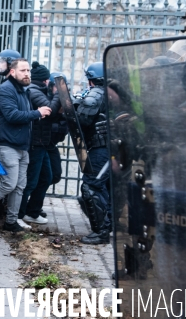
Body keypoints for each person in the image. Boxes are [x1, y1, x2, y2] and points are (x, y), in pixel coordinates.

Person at [0, 57, 51, 233]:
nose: (27, 74)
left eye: (28, 71)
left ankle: (11, 221)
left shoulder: (23, 90)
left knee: (20, 186)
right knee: (9, 184)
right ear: (12, 72)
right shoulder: (6, 89)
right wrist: (37, 113)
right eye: (23, 70)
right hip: (6, 144)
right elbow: (12, 115)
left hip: (21, 145)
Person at [18, 62, 60, 227]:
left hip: (41, 143)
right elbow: (50, 109)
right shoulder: (34, 91)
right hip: (35, 143)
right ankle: (19, 215)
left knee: (46, 178)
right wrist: (58, 94)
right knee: (30, 182)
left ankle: (32, 212)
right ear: (45, 80)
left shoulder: (38, 90)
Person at [76, 62, 111, 245]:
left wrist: (76, 106)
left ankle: (101, 232)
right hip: (110, 149)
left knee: (91, 187)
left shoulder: (97, 91)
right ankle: (107, 226)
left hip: (101, 149)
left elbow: (83, 116)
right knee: (106, 190)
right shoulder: (113, 92)